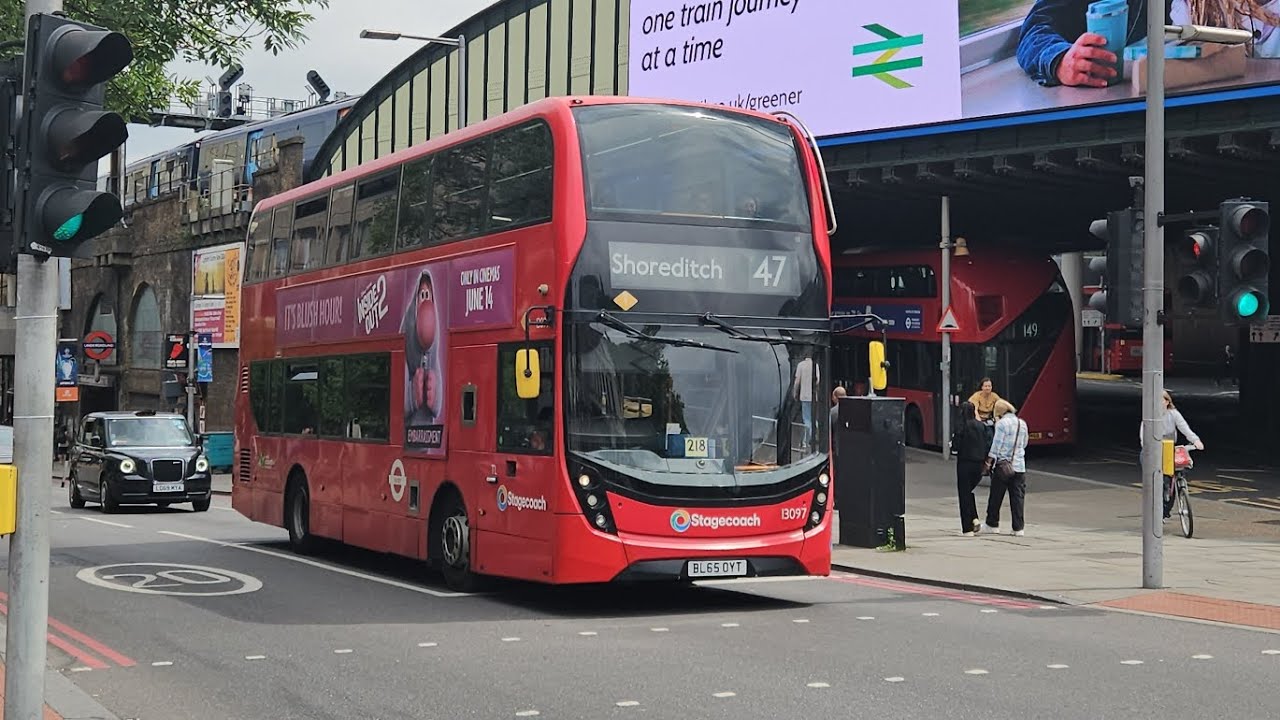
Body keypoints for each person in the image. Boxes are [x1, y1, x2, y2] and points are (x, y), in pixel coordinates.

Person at [1139, 390, 1204, 519]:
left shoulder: (1173, 414)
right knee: (1158, 481)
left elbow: (1185, 428)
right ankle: (1155, 510)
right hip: (1152, 450)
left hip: (1168, 449)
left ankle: (1169, 504)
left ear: (1167, 402)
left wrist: (1196, 441)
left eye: (1161, 400)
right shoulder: (1149, 416)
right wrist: (1149, 448)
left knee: (1175, 474)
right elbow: (1143, 436)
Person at [983, 400, 1029, 536]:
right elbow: (1024, 443)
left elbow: (996, 445)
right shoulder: (1022, 423)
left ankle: (992, 524)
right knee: (1018, 498)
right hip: (1019, 466)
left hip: (1003, 465)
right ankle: (1018, 528)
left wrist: (989, 461)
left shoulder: (1002, 424)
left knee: (996, 496)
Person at [952, 401, 990, 536]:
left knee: (964, 494)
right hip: (979, 464)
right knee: (969, 492)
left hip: (964, 464)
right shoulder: (981, 426)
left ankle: (967, 528)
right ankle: (974, 518)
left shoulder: (961, 426)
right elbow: (987, 443)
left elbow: (956, 446)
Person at [792, 352, 820, 449]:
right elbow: (818, 381)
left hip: (804, 396)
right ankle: (816, 435)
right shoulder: (815, 365)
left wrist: (795, 393)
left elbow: (797, 381)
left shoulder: (801, 365)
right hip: (814, 397)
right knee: (812, 418)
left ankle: (806, 441)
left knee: (806, 419)